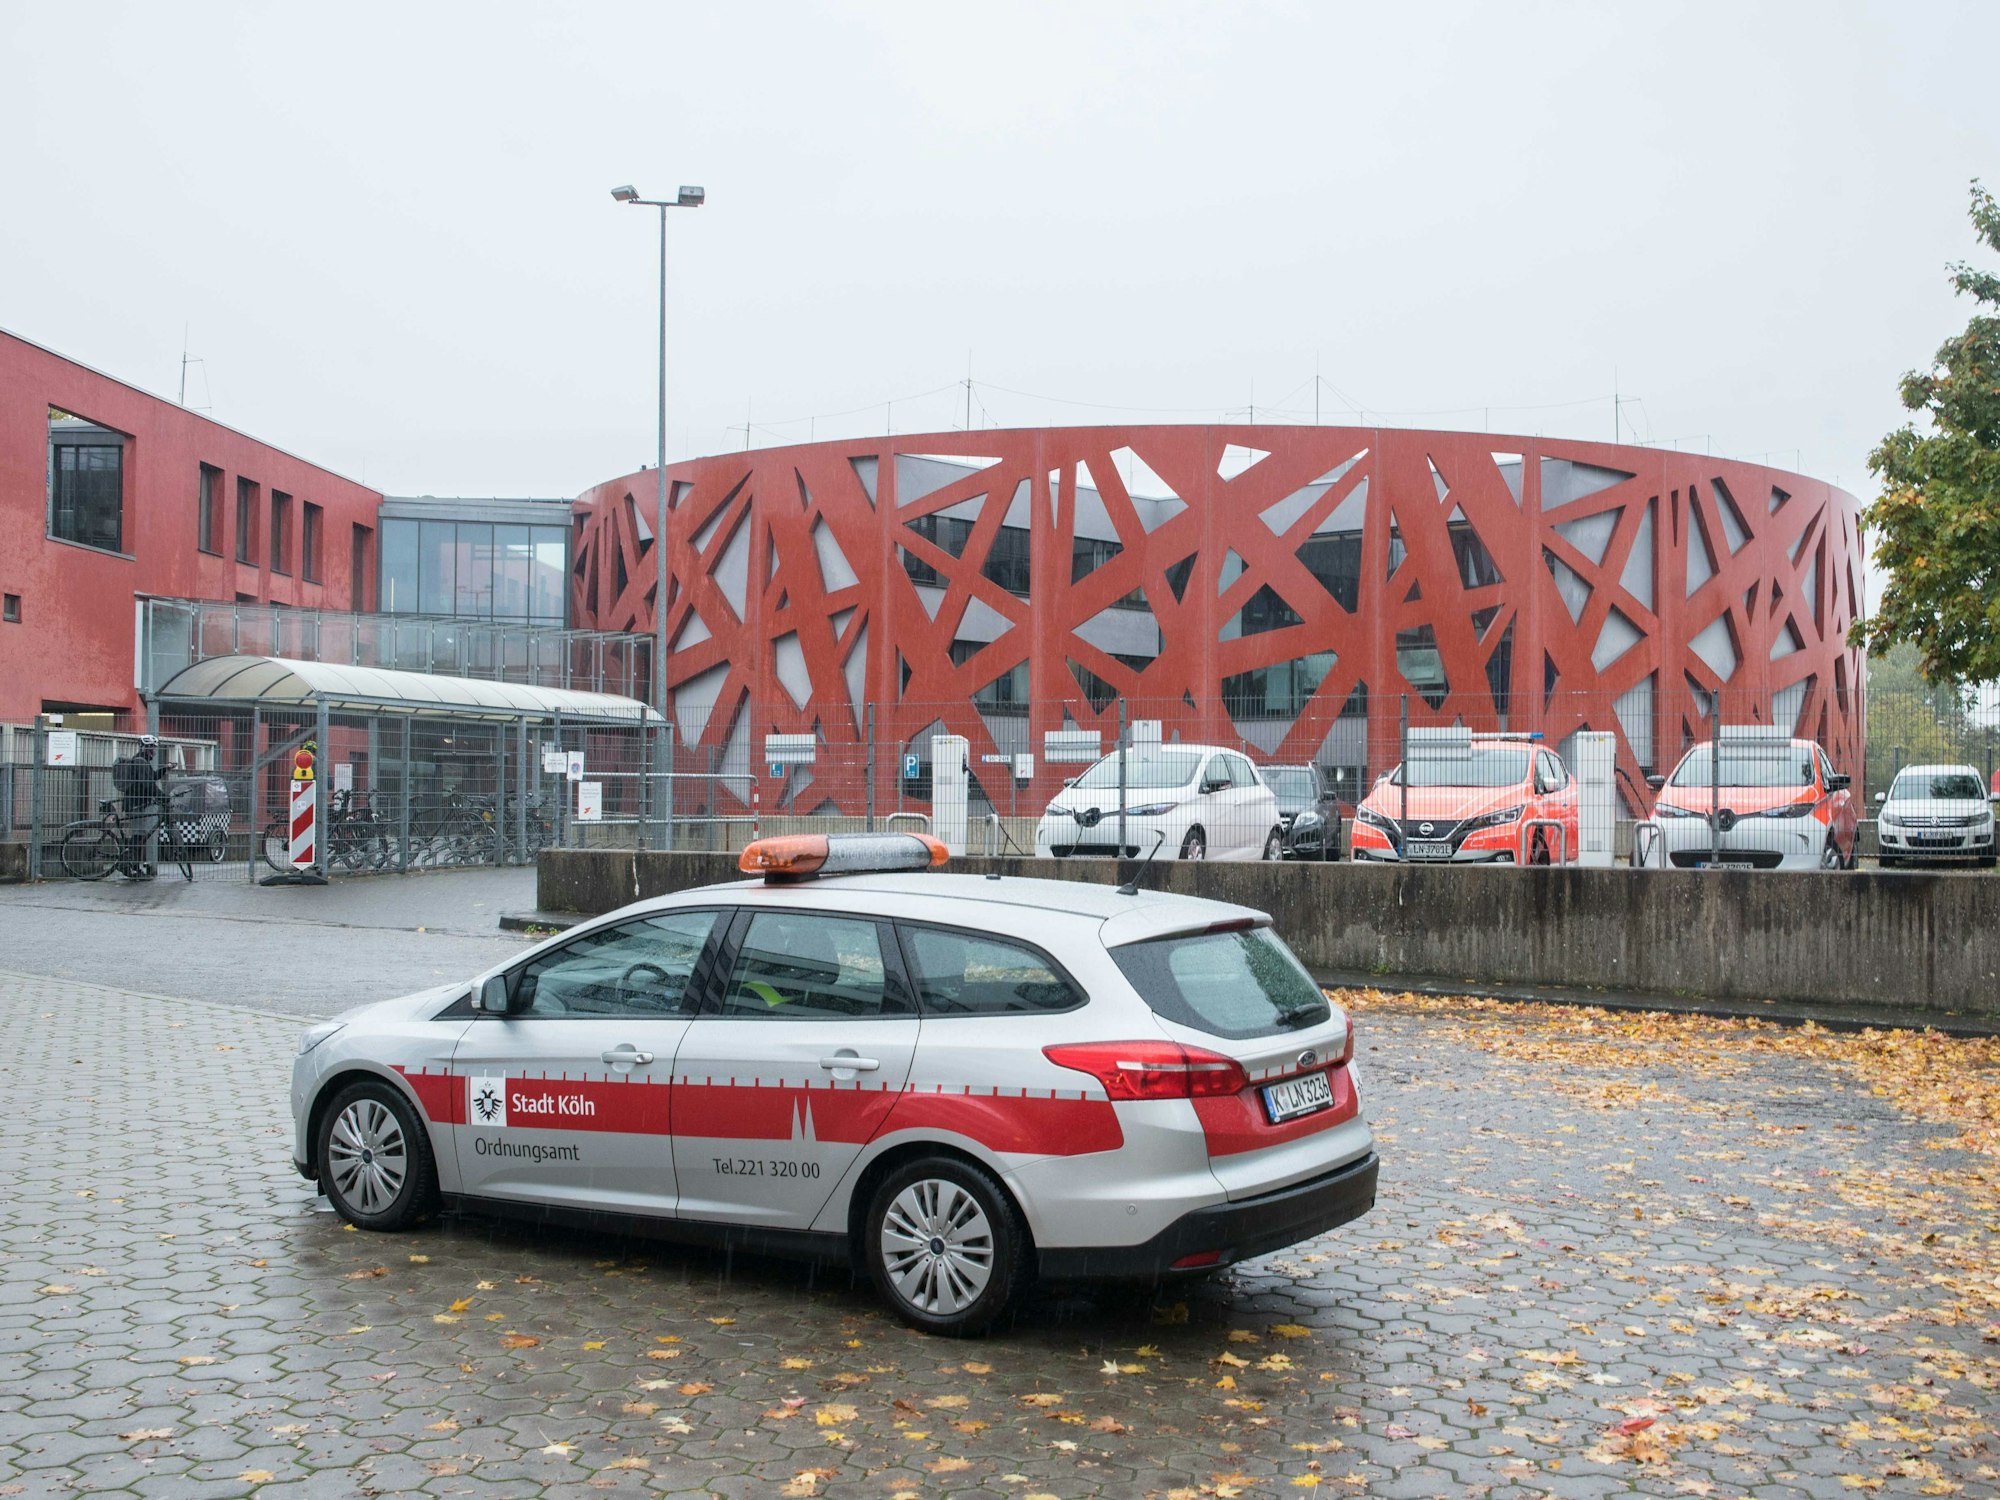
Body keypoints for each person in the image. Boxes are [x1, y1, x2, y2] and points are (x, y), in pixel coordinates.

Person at [111, 734, 167, 878]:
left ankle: (132, 866)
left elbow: (150, 778)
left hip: (138, 803)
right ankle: (130, 866)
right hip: (136, 805)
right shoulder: (140, 761)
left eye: (154, 748)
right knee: (138, 836)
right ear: (145, 748)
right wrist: (163, 797)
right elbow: (148, 784)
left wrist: (165, 769)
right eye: (151, 748)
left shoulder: (141, 761)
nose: (153, 751)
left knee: (140, 836)